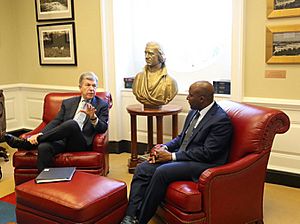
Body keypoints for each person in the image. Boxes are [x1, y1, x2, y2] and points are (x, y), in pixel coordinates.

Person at [121, 81, 233, 224]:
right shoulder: (194, 112)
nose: (187, 98)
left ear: (202, 99)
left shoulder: (220, 120)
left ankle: (141, 219)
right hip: (185, 156)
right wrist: (165, 148)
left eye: (190, 95)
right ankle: (129, 217)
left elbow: (208, 153)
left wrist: (173, 157)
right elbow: (182, 138)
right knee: (143, 168)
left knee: (162, 171)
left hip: (204, 164)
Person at [0, 71, 109, 172]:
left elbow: (103, 128)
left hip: (80, 143)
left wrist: (93, 117)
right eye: (88, 85)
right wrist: (40, 133)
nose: (91, 88)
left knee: (72, 124)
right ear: (80, 87)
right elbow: (55, 122)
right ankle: (44, 182)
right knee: (43, 147)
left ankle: (28, 143)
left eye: (94, 86)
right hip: (61, 140)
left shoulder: (101, 105)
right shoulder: (68, 103)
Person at [132, 42, 178, 108]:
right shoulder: (139, 78)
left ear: (160, 56)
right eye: (145, 53)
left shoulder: (170, 82)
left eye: (151, 54)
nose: (146, 57)